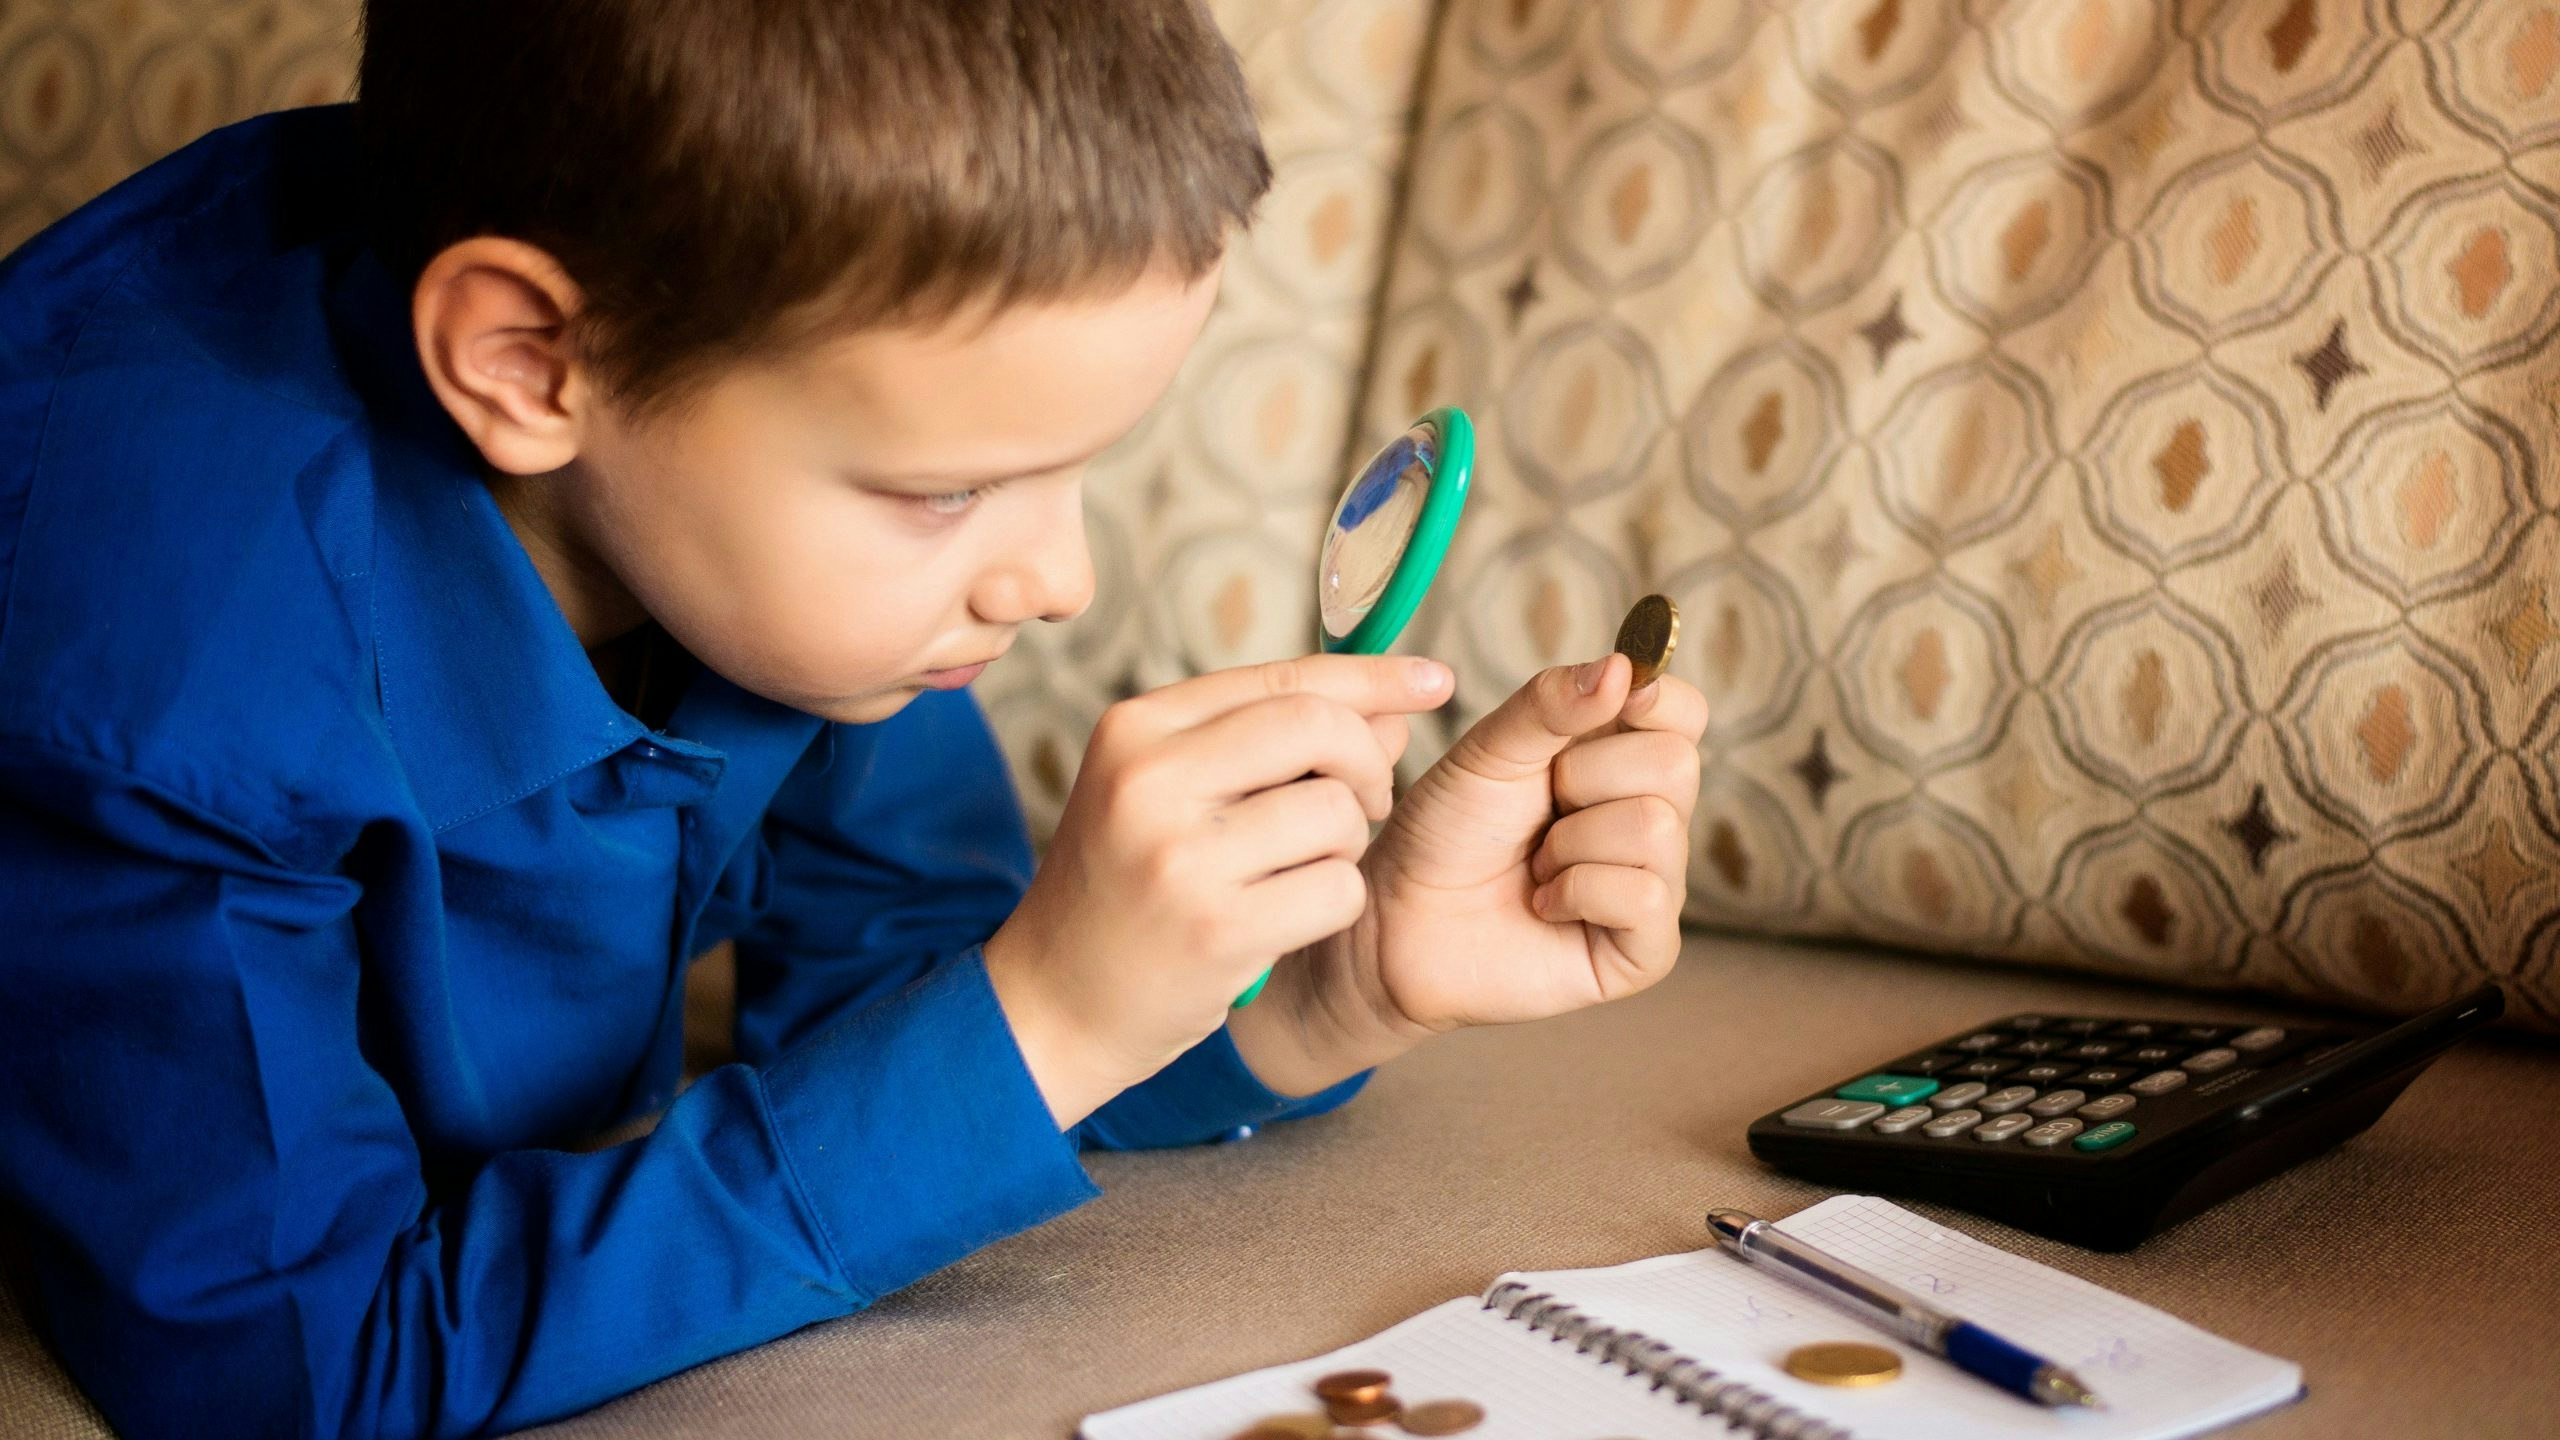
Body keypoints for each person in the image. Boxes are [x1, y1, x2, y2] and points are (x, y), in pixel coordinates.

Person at [0, 2, 1708, 1434]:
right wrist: (1040, 1019)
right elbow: (289, 1358)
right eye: (951, 486)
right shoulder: (150, 670)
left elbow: (905, 1030)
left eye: (1078, 465)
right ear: (529, 367)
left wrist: (1331, 991)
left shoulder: (779, 545)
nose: (1062, 580)